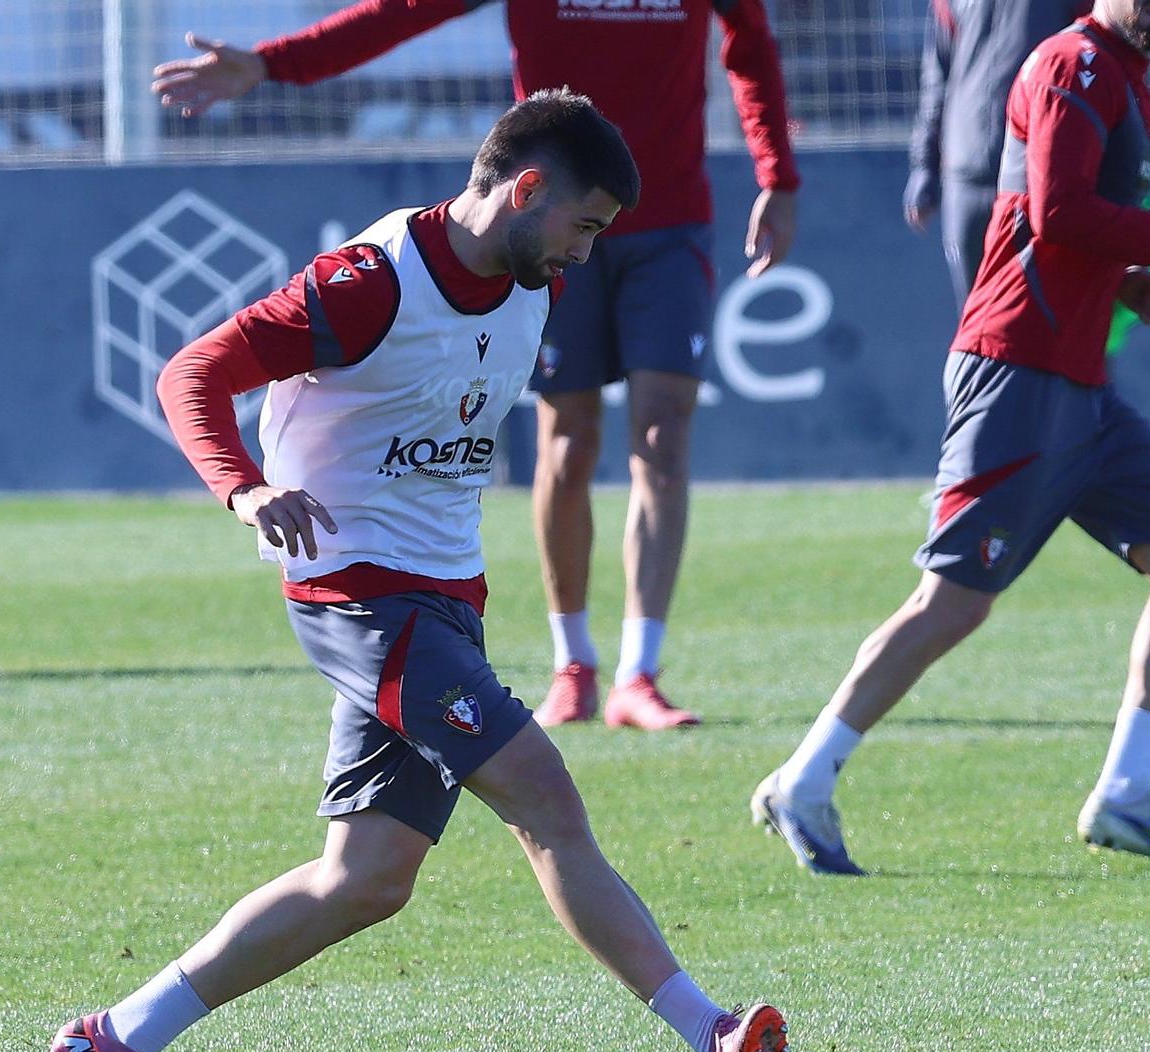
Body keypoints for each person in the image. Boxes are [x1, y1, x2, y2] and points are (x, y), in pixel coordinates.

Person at [48, 93, 787, 1052]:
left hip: (442, 600)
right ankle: (709, 1030)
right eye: (582, 225)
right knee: (544, 796)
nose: (583, 257)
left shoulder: (530, 285)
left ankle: (117, 1037)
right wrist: (246, 492)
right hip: (361, 597)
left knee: (367, 877)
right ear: (525, 190)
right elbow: (191, 373)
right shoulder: (368, 282)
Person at [152, 0, 803, 732]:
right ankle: (574, 664)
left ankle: (639, 673)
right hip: (545, 222)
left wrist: (777, 172)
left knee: (662, 437)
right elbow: (398, 14)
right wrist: (274, 63)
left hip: (671, 215)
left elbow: (749, 38)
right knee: (570, 441)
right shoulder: (446, 260)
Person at [753, 0, 1150, 876]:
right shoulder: (1073, 65)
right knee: (952, 602)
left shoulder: (1123, 71)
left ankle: (1126, 795)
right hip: (1017, 373)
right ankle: (803, 779)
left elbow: (1045, 214)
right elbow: (1059, 212)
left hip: (1082, 387)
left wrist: (1128, 280)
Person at [906, 0, 1092, 306]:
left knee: (1053, 322)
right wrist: (924, 165)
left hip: (1041, 182)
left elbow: (1094, 57)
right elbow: (937, 75)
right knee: (978, 326)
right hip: (967, 175)